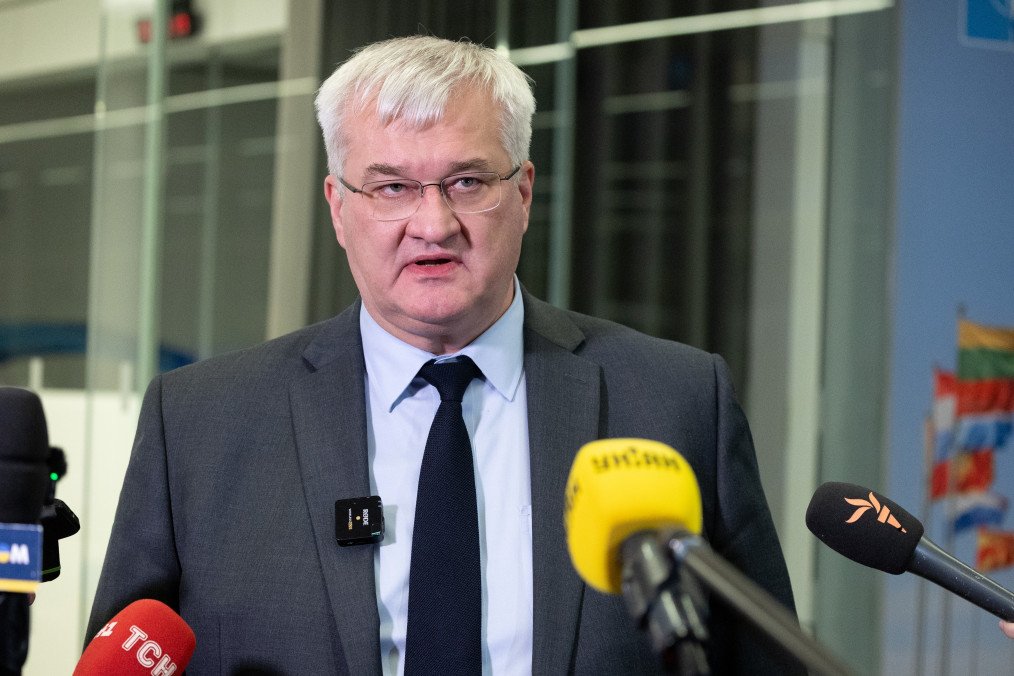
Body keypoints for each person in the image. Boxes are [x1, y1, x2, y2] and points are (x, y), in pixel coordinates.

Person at [86, 35, 800, 674]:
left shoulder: (674, 400)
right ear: (338, 206)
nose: (434, 223)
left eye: (467, 182)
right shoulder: (201, 424)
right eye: (392, 186)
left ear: (522, 192)